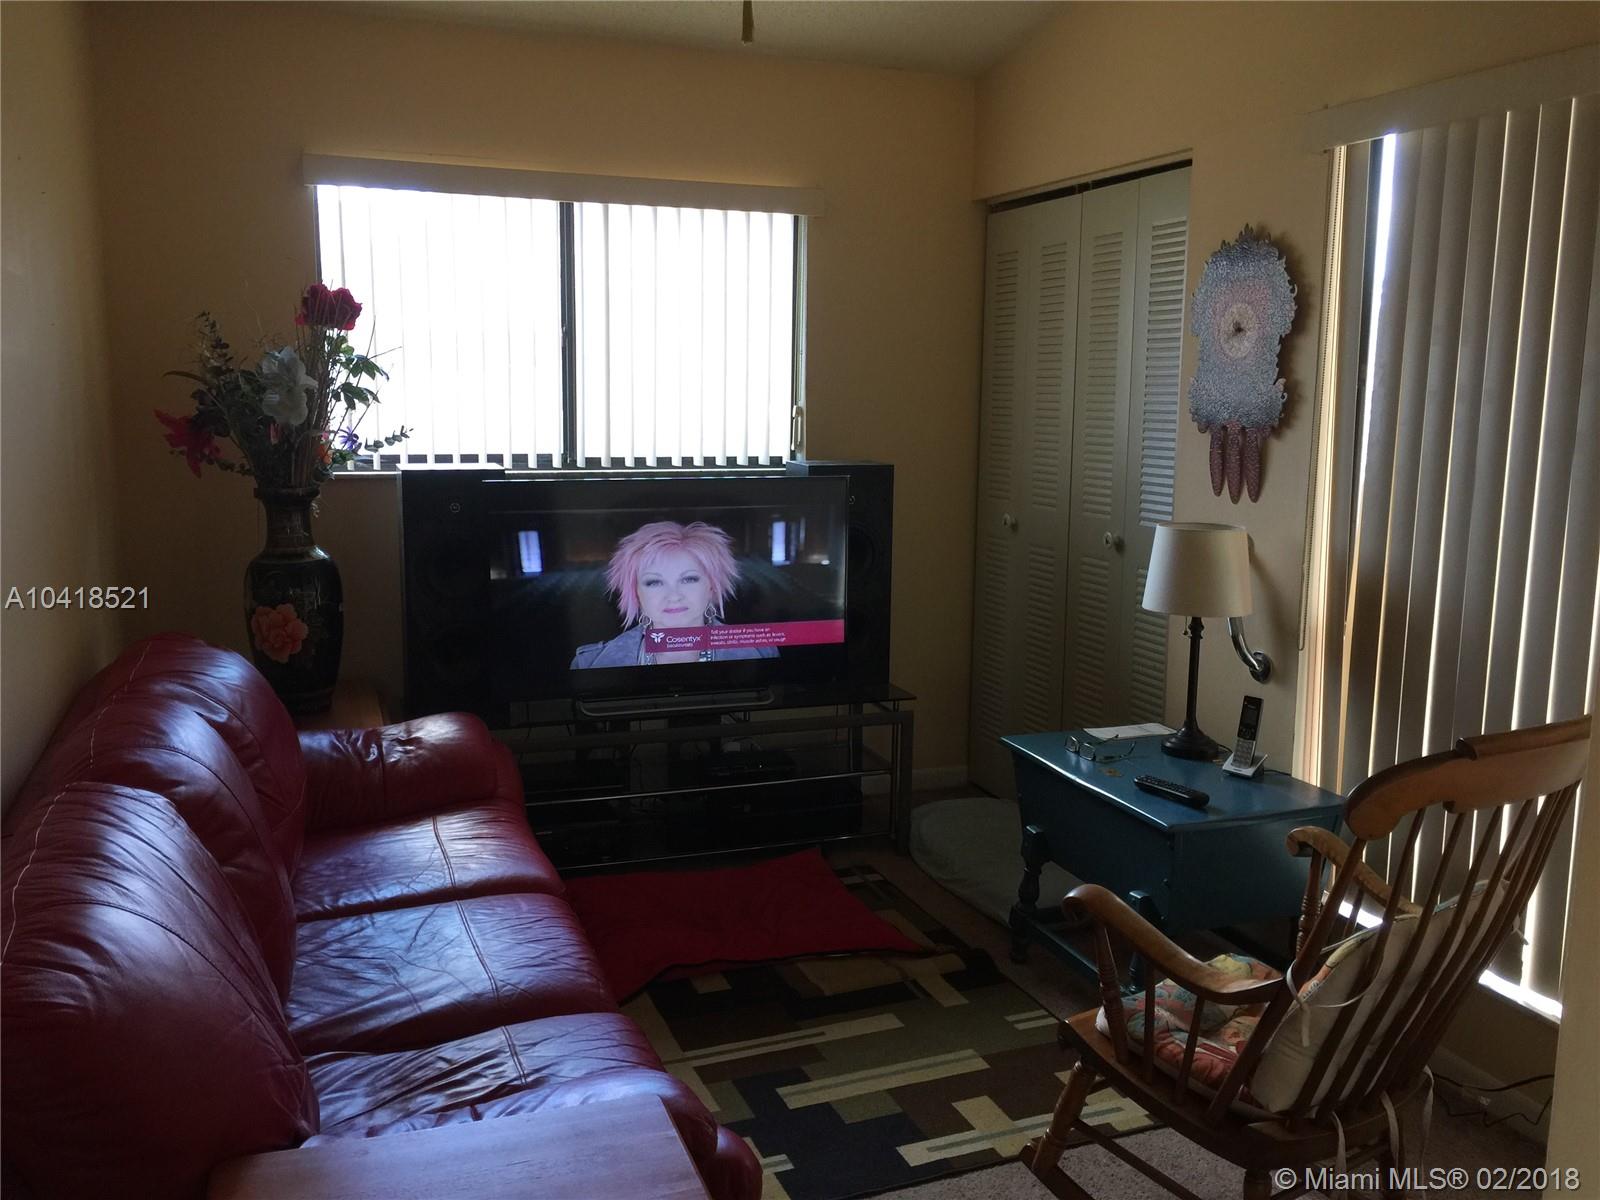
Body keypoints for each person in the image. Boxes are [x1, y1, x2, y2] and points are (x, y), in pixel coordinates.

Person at [570, 520, 779, 669]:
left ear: (711, 586)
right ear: (636, 592)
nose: (674, 596)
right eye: (654, 582)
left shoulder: (762, 654)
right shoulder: (590, 663)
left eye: (689, 579)